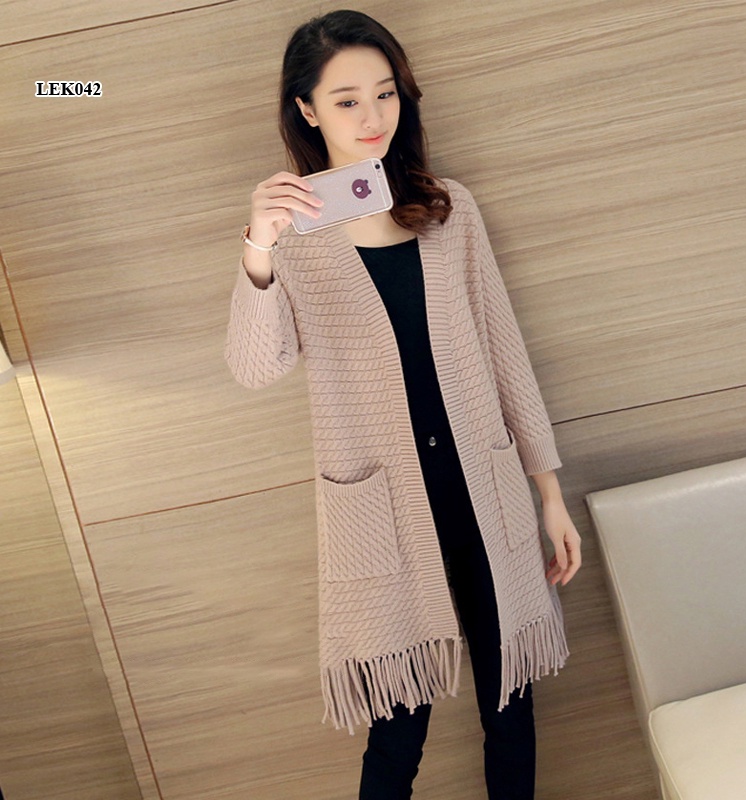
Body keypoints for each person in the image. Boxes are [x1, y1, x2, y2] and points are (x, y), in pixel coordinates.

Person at [225, 9, 582, 800]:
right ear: (306, 109)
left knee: (511, 703)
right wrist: (257, 246)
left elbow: (504, 351)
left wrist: (549, 493)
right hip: (381, 510)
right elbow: (254, 367)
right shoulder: (291, 238)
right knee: (397, 728)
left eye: (385, 93)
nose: (373, 116)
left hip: (482, 489)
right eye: (347, 99)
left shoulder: (449, 208)